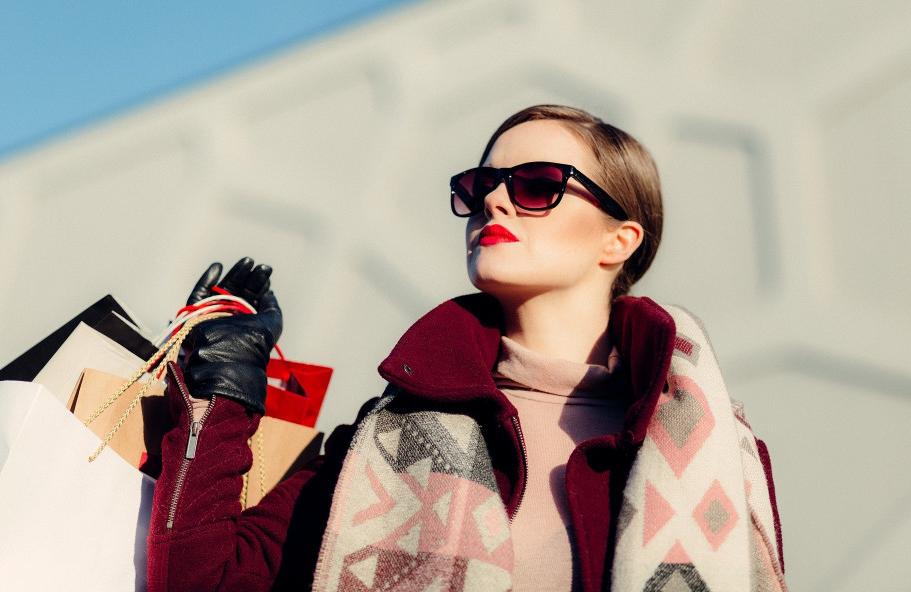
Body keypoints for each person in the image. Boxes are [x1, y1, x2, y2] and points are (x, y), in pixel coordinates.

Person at [147, 105, 786, 591]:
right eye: (482, 185)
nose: (496, 199)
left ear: (618, 240)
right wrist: (223, 392)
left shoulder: (711, 452)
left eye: (537, 185)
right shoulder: (386, 438)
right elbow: (201, 577)